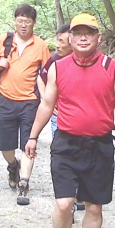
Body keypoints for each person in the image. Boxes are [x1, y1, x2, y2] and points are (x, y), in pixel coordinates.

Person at [25, 13, 115, 228]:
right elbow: (47, 104)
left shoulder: (112, 67)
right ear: (70, 38)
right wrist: (32, 136)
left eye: (89, 33)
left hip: (99, 145)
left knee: (94, 208)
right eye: (78, 33)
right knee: (64, 204)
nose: (83, 38)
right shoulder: (58, 67)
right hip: (66, 143)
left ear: (98, 37)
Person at [0, 4, 50, 205]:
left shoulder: (41, 45)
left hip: (30, 102)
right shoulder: (4, 40)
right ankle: (13, 165)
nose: (23, 25)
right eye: (20, 21)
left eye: (27, 22)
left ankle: (24, 183)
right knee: (5, 146)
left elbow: (47, 73)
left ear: (34, 23)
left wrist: (48, 98)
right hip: (5, 99)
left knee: (28, 143)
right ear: (15, 21)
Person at [37, 24, 83, 213]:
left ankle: (80, 191)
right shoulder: (55, 60)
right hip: (59, 116)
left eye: (61, 41)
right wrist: (46, 98)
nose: (57, 45)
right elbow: (40, 78)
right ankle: (69, 196)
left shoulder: (87, 61)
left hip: (82, 118)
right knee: (64, 152)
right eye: (58, 40)